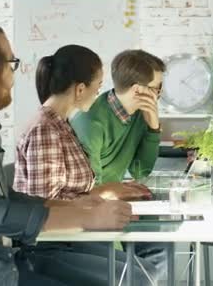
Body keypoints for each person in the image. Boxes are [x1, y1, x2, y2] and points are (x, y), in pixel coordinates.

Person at [0, 21, 132, 286]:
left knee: (123, 277)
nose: (14, 75)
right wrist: (88, 217)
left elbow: (3, 197)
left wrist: (71, 206)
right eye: (12, 64)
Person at [13, 44, 160, 285]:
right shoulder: (44, 129)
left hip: (71, 237)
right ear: (80, 89)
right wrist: (101, 194)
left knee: (148, 273)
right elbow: (43, 205)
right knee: (140, 278)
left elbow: (67, 192)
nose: (100, 93)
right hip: (48, 248)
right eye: (98, 86)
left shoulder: (61, 124)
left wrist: (103, 194)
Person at [70, 48, 168, 274]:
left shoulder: (137, 115)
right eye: (157, 89)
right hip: (91, 210)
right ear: (138, 91)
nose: (159, 94)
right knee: (144, 260)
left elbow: (139, 169)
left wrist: (153, 126)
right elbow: (88, 189)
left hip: (116, 202)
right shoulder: (91, 120)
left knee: (162, 245)